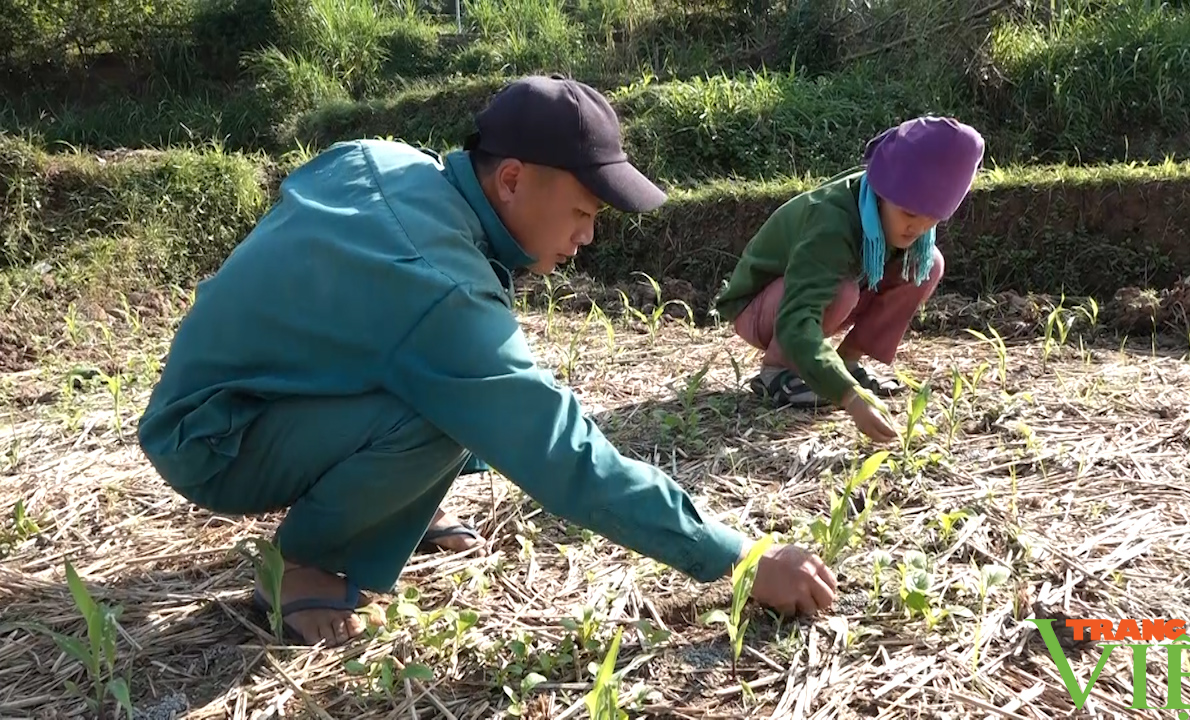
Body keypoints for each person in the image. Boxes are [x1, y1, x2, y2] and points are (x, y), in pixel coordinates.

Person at [136, 74, 838, 647]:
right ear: (510, 180)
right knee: (446, 415)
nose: (588, 238)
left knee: (459, 397)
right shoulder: (436, 283)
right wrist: (738, 559)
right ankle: (299, 565)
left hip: (231, 396)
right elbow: (556, 451)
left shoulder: (383, 161)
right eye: (584, 211)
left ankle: (388, 506)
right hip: (214, 438)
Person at [712, 116, 985, 443]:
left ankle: (848, 360)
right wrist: (849, 398)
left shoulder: (902, 213)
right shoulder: (831, 221)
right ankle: (777, 371)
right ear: (884, 193)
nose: (917, 229)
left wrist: (845, 379)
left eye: (932, 219)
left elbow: (912, 251)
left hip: (823, 294)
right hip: (761, 308)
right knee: (842, 292)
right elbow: (798, 317)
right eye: (910, 215)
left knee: (927, 263)